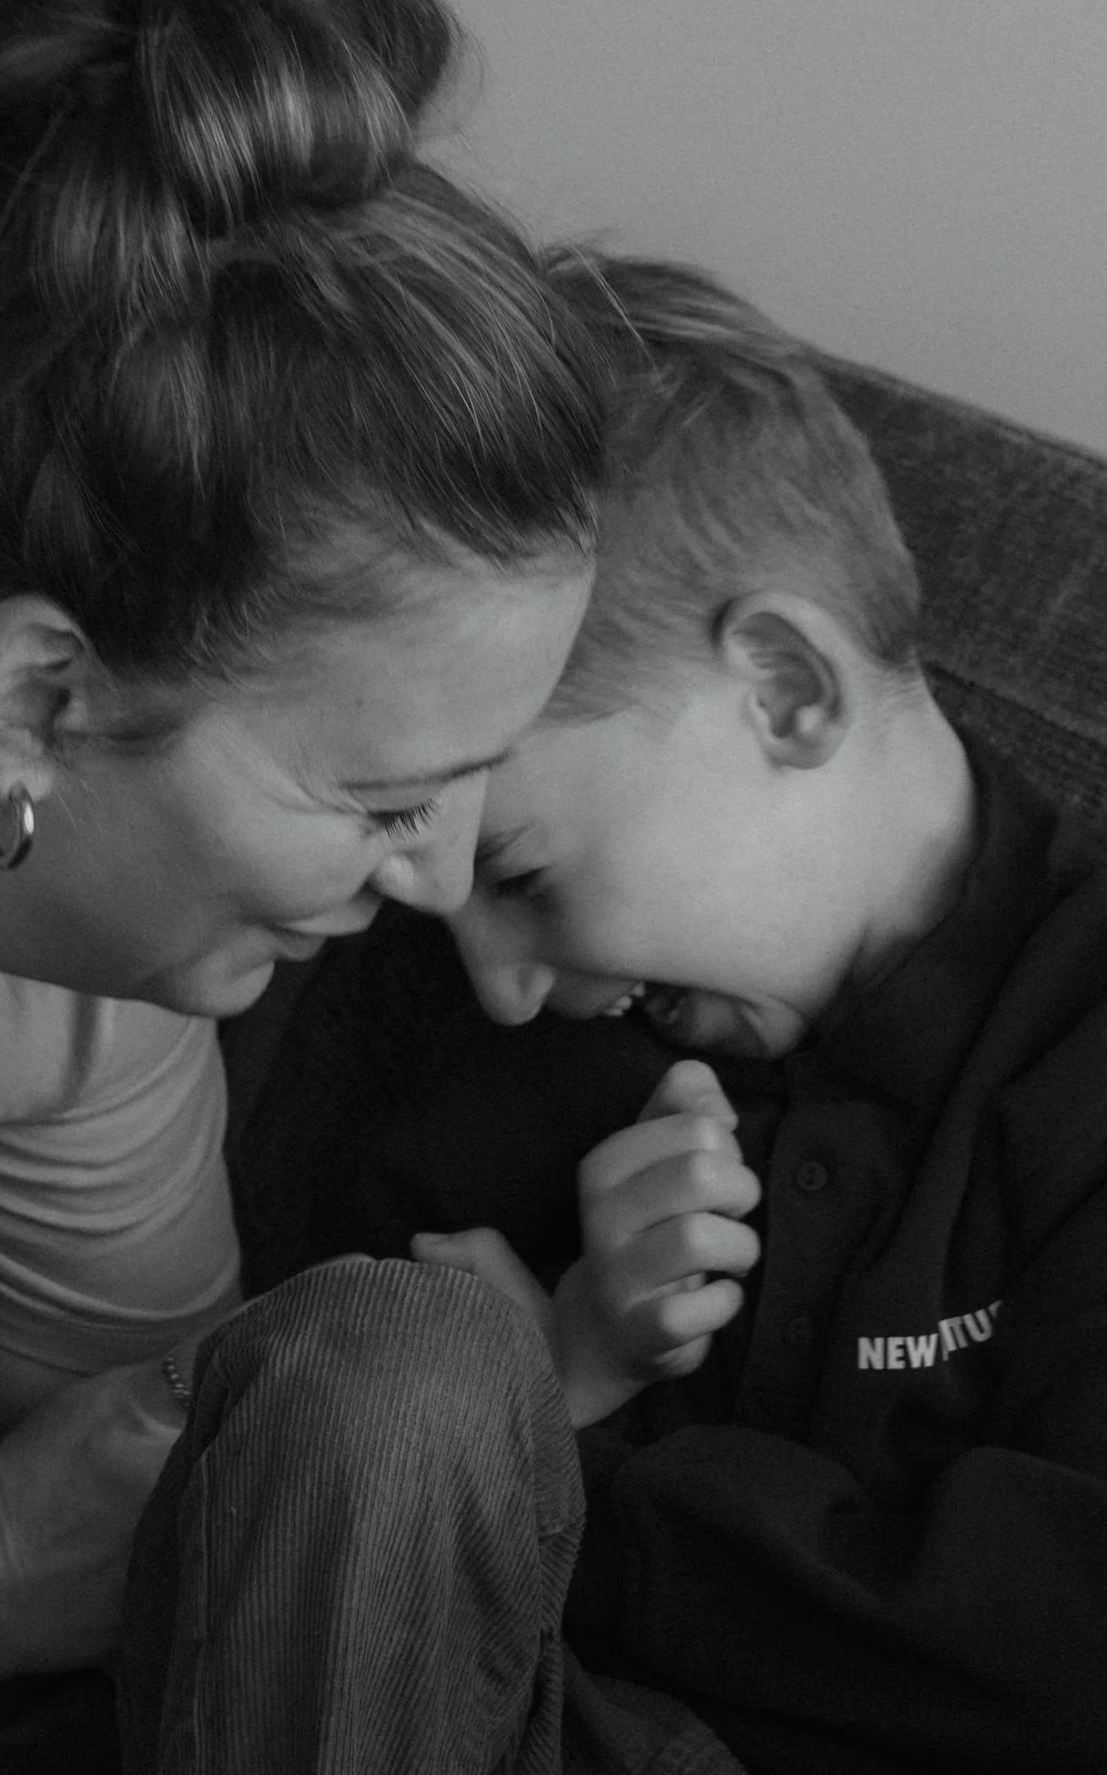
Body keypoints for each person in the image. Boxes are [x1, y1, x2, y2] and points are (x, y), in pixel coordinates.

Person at [0, 0, 607, 1761]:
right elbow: (19, 1561)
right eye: (386, 795)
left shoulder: (81, 965)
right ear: (37, 697)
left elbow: (156, 1511)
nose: (444, 878)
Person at [126, 257, 1107, 1774]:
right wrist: (550, 1368)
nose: (504, 985)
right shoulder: (487, 1050)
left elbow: (1058, 1653)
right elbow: (281, 1535)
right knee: (393, 1375)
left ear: (785, 692)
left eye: (520, 871)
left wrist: (568, 1450)